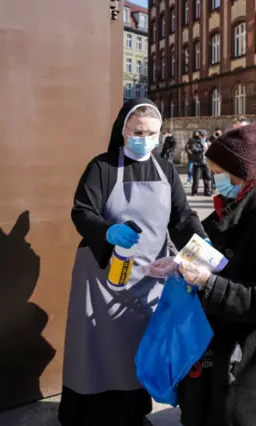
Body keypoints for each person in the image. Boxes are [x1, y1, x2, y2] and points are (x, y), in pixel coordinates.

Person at [152, 123, 256, 426]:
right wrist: (179, 264)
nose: (213, 177)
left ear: (238, 172)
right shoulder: (234, 204)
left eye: (217, 170)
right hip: (224, 352)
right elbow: (215, 254)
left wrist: (208, 284)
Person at [58, 98, 206, 426]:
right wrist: (108, 231)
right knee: (96, 352)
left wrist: (201, 245)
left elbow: (182, 219)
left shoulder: (166, 170)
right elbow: (82, 210)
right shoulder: (103, 166)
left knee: (137, 353)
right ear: (123, 131)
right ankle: (89, 416)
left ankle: (132, 414)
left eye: (151, 132)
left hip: (148, 279)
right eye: (138, 131)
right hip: (101, 278)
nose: (144, 137)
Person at [185, 130, 212, 196]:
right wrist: (203, 149)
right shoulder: (194, 141)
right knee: (196, 179)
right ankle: (194, 192)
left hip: (206, 162)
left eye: (204, 136)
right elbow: (193, 149)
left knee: (207, 178)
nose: (202, 137)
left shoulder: (208, 141)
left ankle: (207, 192)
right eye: (201, 135)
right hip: (198, 163)